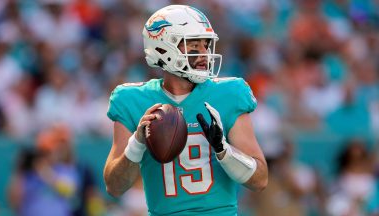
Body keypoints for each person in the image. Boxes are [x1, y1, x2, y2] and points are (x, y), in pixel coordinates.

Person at [103, 5, 268, 215]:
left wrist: (224, 150)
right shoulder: (132, 100)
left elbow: (260, 180)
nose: (204, 54)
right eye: (193, 45)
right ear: (163, 48)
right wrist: (137, 143)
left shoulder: (228, 94)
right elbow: (114, 187)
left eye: (206, 45)